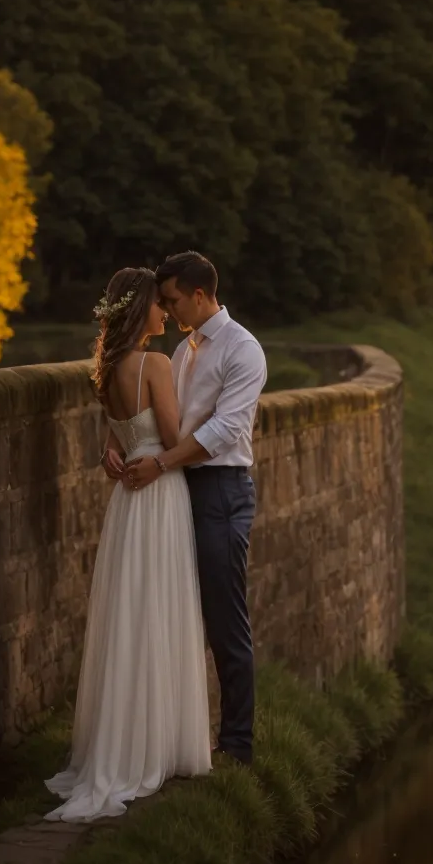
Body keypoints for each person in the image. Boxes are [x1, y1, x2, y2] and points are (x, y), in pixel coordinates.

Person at [46, 267, 212, 821]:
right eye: (160, 306)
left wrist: (108, 454)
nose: (167, 313)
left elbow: (117, 438)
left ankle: (125, 743)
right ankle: (153, 749)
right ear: (142, 310)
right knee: (158, 613)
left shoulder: (109, 367)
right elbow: (170, 438)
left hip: (126, 505)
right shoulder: (154, 364)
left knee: (129, 618)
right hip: (160, 496)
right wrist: (212, 418)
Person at [117, 251, 267, 765]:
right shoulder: (183, 352)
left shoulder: (243, 350)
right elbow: (160, 419)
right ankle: (177, 736)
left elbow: (226, 430)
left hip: (222, 492)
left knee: (225, 620)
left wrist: (159, 464)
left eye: (174, 299)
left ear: (200, 295)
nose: (168, 307)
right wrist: (126, 446)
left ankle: (237, 746)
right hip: (179, 489)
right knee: (175, 613)